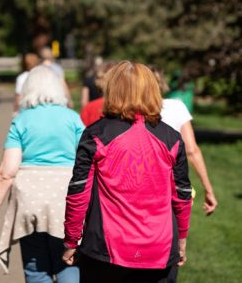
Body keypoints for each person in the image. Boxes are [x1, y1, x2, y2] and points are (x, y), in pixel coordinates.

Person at [63, 61, 192, 283]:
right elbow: (182, 194)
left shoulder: (96, 134)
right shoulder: (171, 138)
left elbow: (78, 192)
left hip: (106, 251)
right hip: (159, 248)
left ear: (112, 90)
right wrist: (181, 239)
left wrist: (71, 241)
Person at [0, 65, 84, 283]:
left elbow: (6, 173)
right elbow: (87, 163)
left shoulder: (21, 120)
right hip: (66, 201)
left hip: (29, 202)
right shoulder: (73, 118)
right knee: (69, 263)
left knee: (36, 268)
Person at [153, 67, 218, 216]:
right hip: (172, 189)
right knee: (174, 236)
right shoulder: (175, 107)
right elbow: (191, 150)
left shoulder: (129, 112)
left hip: (136, 190)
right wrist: (208, 190)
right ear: (161, 83)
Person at [79, 62, 115, 126]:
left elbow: (84, 101)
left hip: (92, 113)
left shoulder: (89, 80)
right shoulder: (119, 106)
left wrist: (85, 110)